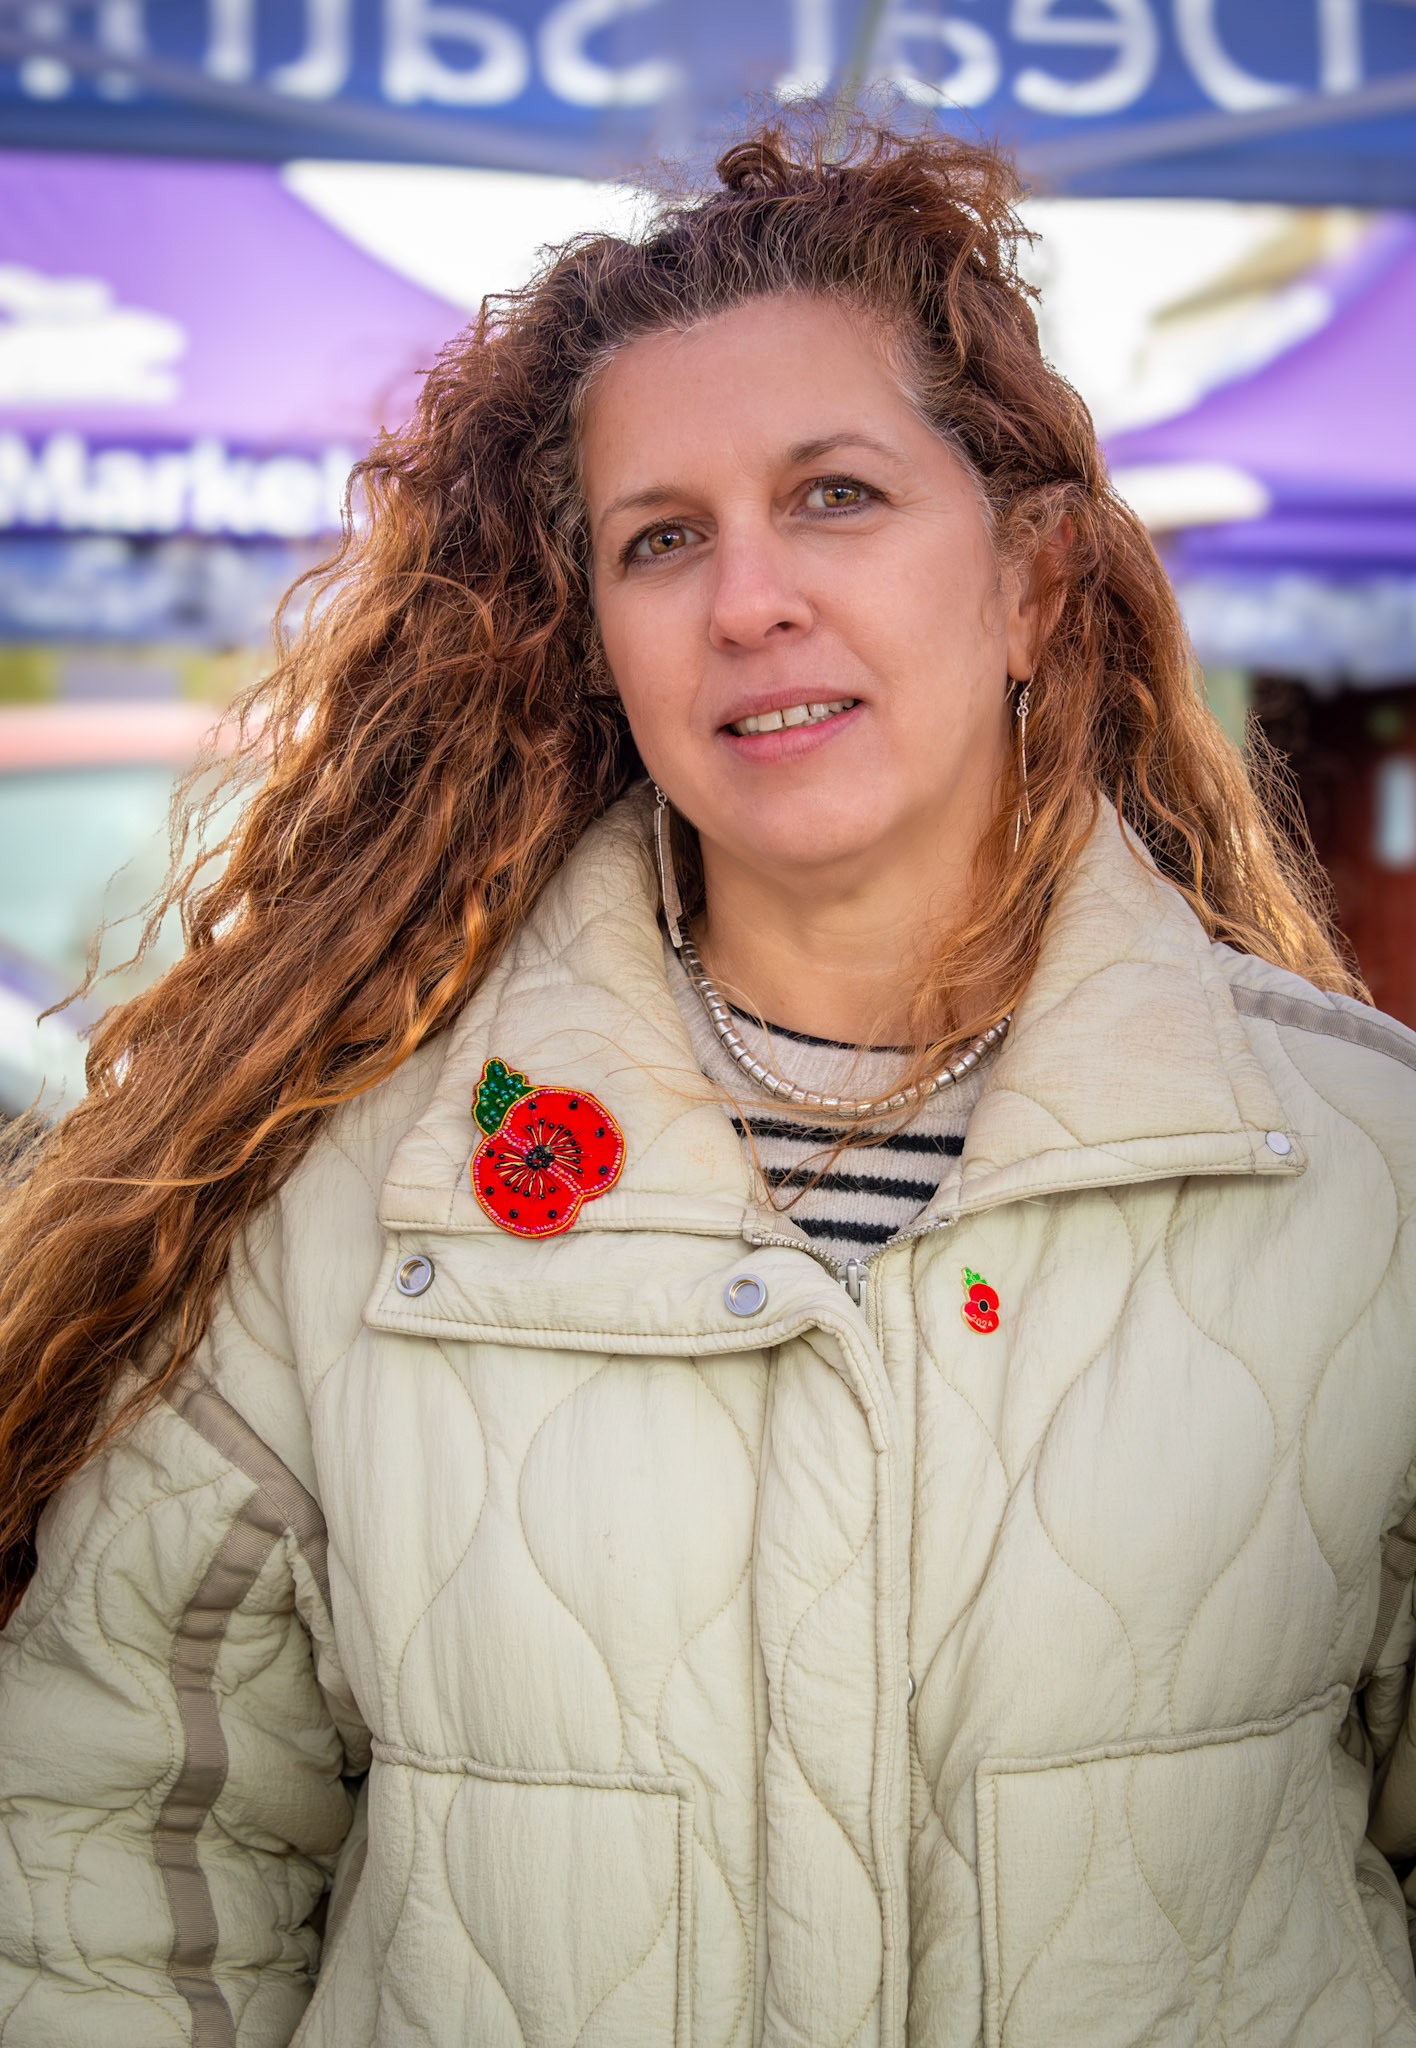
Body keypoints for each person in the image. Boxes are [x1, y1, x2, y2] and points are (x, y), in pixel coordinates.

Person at [1, 111, 1415, 2048]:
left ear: (1031, 582)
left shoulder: (1369, 1171)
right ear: (597, 636)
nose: (747, 598)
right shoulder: (355, 1190)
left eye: (834, 495)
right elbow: (108, 1853)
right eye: (661, 538)